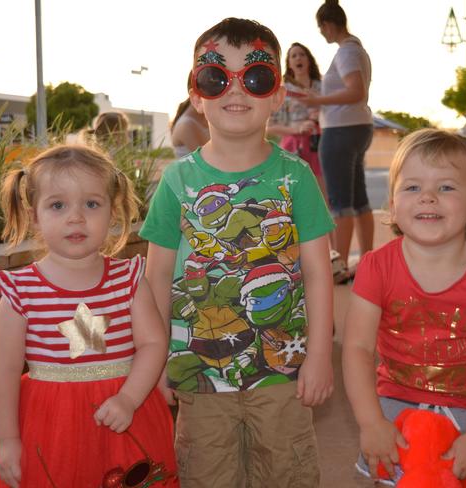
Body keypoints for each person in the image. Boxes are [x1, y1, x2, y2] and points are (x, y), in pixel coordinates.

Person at [140, 17, 336, 487]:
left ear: (277, 95)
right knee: (207, 476)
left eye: (255, 76)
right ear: (195, 93)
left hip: (283, 375)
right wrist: (154, 359)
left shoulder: (296, 177)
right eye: (215, 76)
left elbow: (316, 272)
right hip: (200, 377)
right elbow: (157, 278)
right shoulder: (176, 181)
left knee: (288, 474)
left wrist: (320, 355)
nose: (235, 89)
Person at [0, 145, 178, 487]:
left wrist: (129, 398)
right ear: (35, 216)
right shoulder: (21, 291)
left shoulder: (129, 279)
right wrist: (8, 440)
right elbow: (2, 372)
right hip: (50, 429)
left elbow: (153, 343)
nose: (76, 217)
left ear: (113, 211)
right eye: (58, 205)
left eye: (91, 204)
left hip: (127, 416)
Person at [342, 129, 466, 486]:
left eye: (446, 187)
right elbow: (358, 349)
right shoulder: (377, 267)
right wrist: (370, 422)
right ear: (393, 206)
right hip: (394, 403)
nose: (427, 197)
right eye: (412, 188)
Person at [301, 0, 374, 280]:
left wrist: (317, 99)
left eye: (321, 28)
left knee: (340, 202)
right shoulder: (357, 50)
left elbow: (356, 92)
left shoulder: (346, 52)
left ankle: (339, 266)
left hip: (342, 130)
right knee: (358, 199)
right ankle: (367, 260)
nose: (321, 33)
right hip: (357, 127)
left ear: (328, 25)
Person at [267, 42, 324, 196]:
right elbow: (269, 126)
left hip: (320, 144)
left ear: (309, 59)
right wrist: (296, 129)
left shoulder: (323, 86)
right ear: (289, 63)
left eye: (302, 54)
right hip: (293, 146)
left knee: (322, 195)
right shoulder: (283, 91)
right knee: (293, 195)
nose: (298, 58)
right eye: (294, 55)